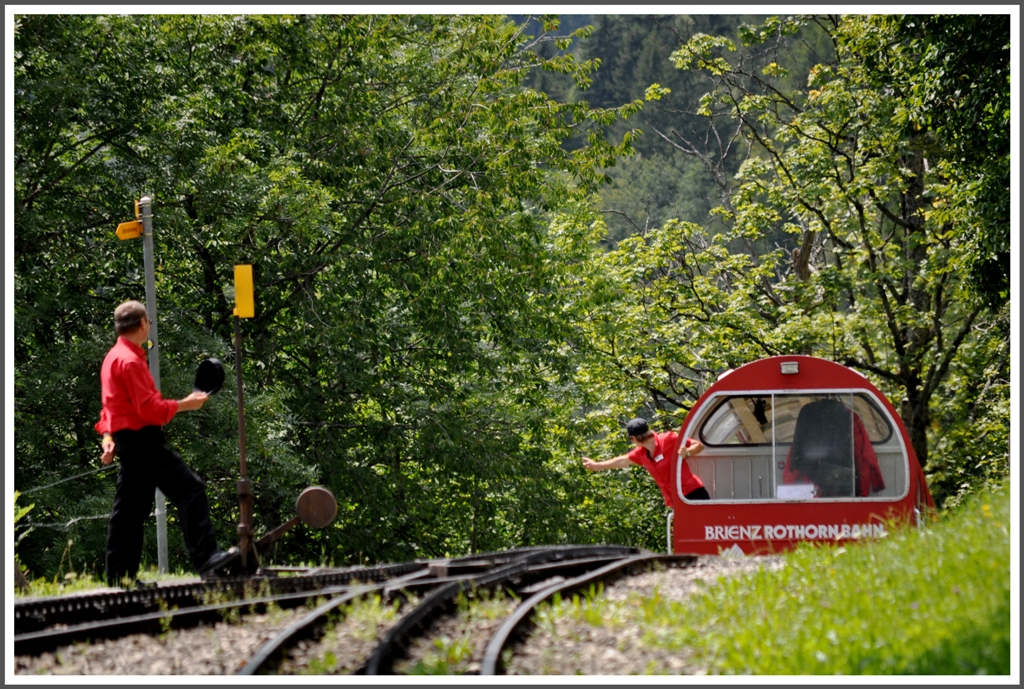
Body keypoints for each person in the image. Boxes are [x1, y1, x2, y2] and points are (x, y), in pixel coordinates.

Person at [95, 300, 235, 586]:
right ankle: (207, 559)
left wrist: (108, 438)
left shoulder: (112, 357)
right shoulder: (131, 361)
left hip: (126, 441)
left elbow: (109, 407)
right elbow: (150, 409)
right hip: (143, 441)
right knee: (190, 489)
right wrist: (187, 404)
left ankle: (120, 578)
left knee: (130, 511)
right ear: (143, 324)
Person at [582, 417, 710, 505]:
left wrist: (688, 452)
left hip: (693, 494)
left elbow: (698, 445)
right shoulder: (641, 453)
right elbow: (623, 461)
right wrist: (597, 466)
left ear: (633, 438)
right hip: (676, 501)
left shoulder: (668, 439)